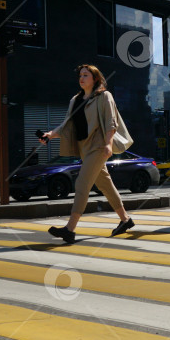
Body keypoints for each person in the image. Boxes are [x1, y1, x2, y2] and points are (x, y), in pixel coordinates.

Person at [40, 64, 135, 243]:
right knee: (105, 184)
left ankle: (70, 229)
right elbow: (66, 125)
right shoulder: (75, 100)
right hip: (84, 148)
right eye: (80, 75)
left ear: (95, 79)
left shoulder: (104, 96)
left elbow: (110, 122)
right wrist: (50, 135)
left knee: (82, 183)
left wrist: (108, 144)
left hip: (98, 146)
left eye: (86, 75)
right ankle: (126, 220)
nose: (81, 78)